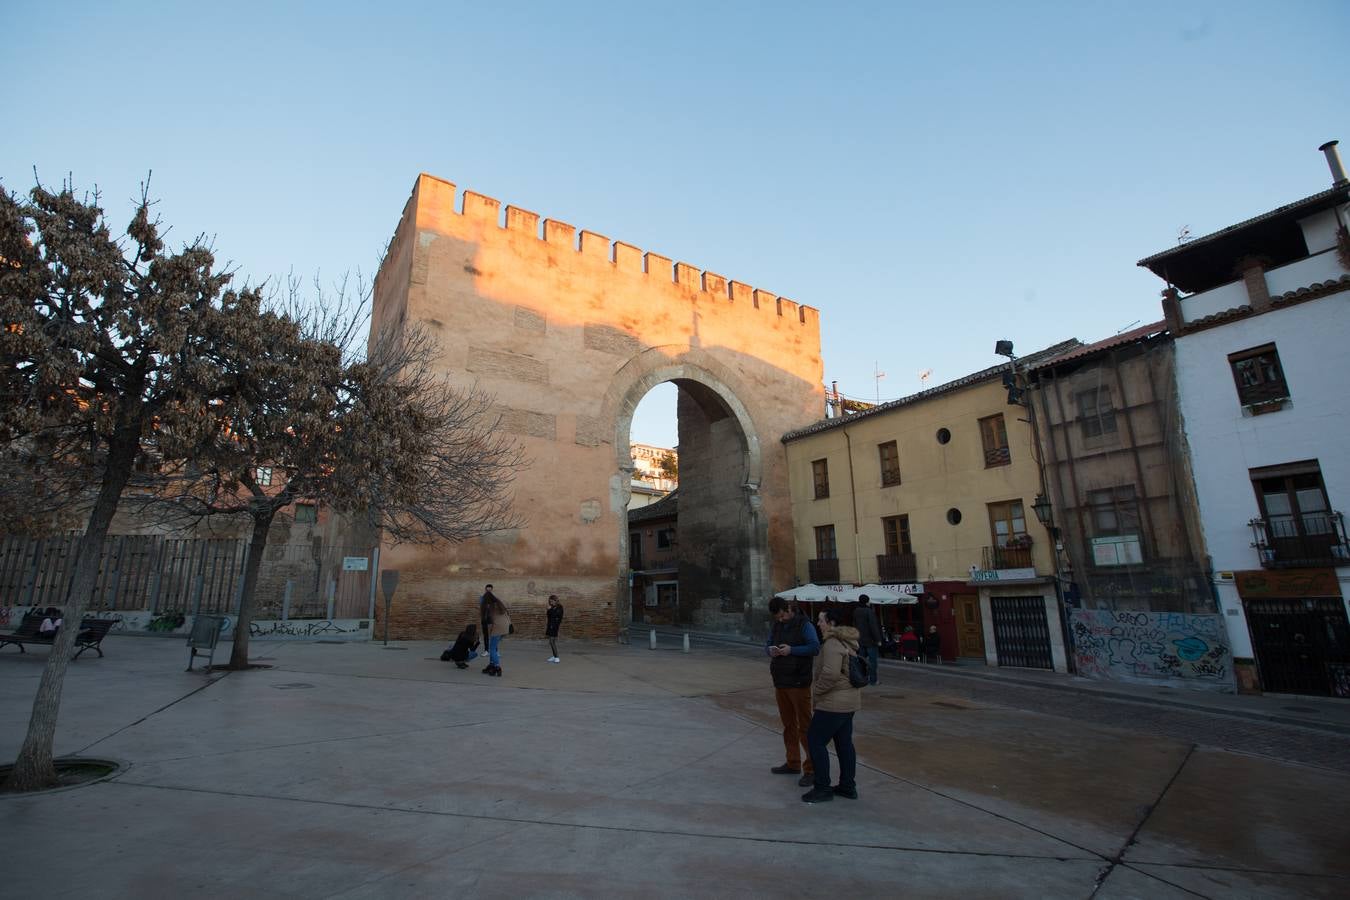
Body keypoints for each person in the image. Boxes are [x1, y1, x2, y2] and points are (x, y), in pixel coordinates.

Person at [802, 605, 861, 803]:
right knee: (844, 744)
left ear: (831, 623)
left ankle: (822, 787)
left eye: (821, 620)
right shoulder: (848, 641)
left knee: (815, 741)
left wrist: (817, 690)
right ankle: (847, 786)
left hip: (833, 703)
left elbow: (831, 673)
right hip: (849, 701)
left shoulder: (832, 643)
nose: (818, 623)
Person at [765, 596, 820, 788]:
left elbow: (814, 647)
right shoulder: (777, 625)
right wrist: (770, 650)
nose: (780, 619)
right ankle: (793, 762)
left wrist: (792, 650)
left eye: (782, 615)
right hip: (781, 681)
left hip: (799, 682)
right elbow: (768, 643)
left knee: (805, 726)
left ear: (788, 609)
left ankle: (812, 769)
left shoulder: (805, 625)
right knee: (788, 725)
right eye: (777, 617)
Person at [854, 594, 882, 685]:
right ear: (867, 601)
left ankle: (862, 678)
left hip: (860, 640)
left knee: (861, 660)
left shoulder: (856, 611)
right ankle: (873, 680)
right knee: (872, 662)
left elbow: (854, 625)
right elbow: (873, 626)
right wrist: (878, 639)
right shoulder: (869, 612)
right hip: (870, 641)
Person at [483, 592, 511, 677]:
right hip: (505, 627)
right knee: (493, 647)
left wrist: (490, 631)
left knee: (492, 649)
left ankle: (497, 667)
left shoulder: (490, 606)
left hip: (498, 628)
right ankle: (491, 665)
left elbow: (490, 620)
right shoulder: (499, 603)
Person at [545, 594, 564, 662]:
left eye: (552, 601)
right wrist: (549, 610)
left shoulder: (559, 607)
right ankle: (554, 656)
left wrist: (550, 609)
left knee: (552, 641)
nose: (551, 602)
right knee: (551, 641)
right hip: (550, 625)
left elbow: (557, 615)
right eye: (550, 601)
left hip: (555, 626)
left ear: (556, 600)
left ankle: (557, 657)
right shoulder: (552, 607)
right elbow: (549, 615)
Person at [478, 584, 494, 650]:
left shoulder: (494, 598)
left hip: (491, 619)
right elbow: (481, 607)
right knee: (486, 635)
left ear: (492, 590)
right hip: (484, 619)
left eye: (490, 590)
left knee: (493, 635)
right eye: (487, 590)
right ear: (485, 590)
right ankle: (486, 650)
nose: (488, 591)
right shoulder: (482, 598)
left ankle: (494, 650)